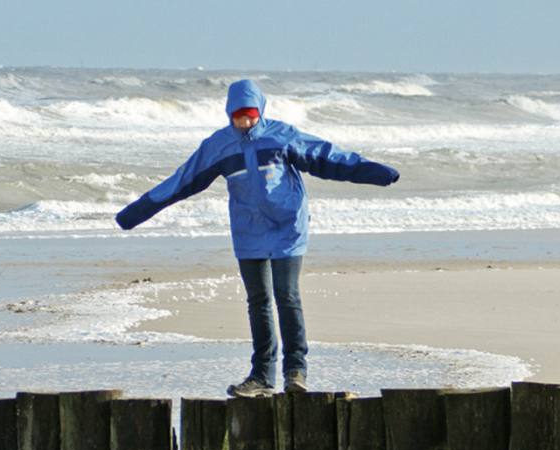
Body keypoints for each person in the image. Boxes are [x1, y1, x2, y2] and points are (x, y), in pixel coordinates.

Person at [115, 79, 400, 398]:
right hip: (248, 230)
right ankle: (262, 376)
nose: (246, 122)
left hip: (287, 227)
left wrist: (375, 172)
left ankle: (295, 372)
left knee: (286, 295)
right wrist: (136, 212)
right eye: (239, 117)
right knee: (258, 301)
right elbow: (183, 181)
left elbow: (327, 157)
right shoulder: (219, 146)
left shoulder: (281, 136)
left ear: (260, 112)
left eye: (251, 115)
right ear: (229, 114)